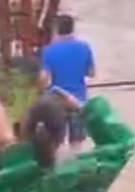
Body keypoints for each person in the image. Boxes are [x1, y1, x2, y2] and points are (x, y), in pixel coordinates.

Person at [0, 87, 135, 192]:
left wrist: (3, 153)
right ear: (62, 135)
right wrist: (84, 109)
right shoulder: (88, 171)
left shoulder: (4, 185)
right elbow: (124, 146)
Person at [38, 14, 95, 151]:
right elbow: (91, 73)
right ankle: (75, 165)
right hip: (79, 101)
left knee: (58, 142)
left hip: (57, 102)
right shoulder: (84, 47)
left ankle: (59, 167)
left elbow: (44, 79)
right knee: (76, 144)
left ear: (56, 30)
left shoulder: (48, 51)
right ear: (72, 28)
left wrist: (41, 91)